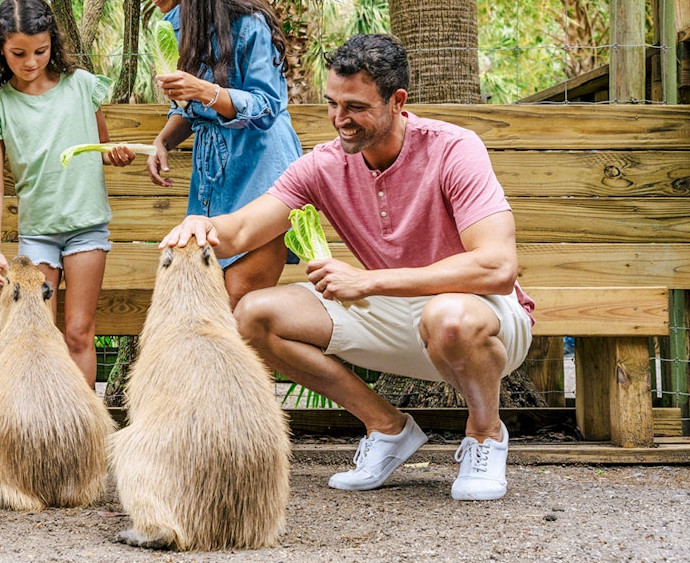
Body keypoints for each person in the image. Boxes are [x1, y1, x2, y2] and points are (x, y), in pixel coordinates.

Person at [161, 33, 534, 501]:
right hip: (392, 311)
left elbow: (498, 267)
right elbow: (240, 231)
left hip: (483, 316)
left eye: (355, 107)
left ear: (398, 101)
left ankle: (485, 435)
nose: (340, 120)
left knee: (450, 318)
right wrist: (202, 223)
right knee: (254, 315)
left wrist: (368, 280)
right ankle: (388, 428)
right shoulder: (322, 164)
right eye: (332, 104)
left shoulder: (454, 148)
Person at [128, 0, 303, 308]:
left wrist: (206, 91)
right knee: (209, 304)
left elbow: (267, 107)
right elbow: (189, 109)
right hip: (211, 185)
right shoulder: (175, 24)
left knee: (237, 304)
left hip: (262, 174)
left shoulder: (249, 22)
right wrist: (164, 141)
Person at [0, 0, 135, 386]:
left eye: (40, 51)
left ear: (52, 45)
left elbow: (103, 149)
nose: (30, 62)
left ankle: (83, 432)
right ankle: (46, 427)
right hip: (37, 234)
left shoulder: (80, 87)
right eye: (18, 53)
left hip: (87, 227)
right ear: (1, 50)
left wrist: (118, 155)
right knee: (40, 336)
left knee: (79, 332)